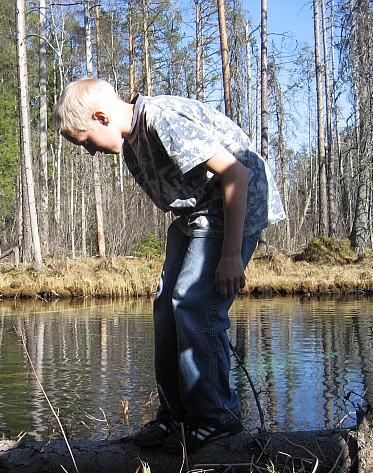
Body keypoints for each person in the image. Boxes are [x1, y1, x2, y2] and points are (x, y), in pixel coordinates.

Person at [54, 78, 286, 454]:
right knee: (166, 307)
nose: (90, 152)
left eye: (85, 142)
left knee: (194, 305)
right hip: (195, 215)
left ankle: (216, 417)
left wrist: (230, 255)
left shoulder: (161, 120)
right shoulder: (133, 143)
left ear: (101, 117)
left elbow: (237, 174)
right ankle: (176, 415)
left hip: (229, 211)